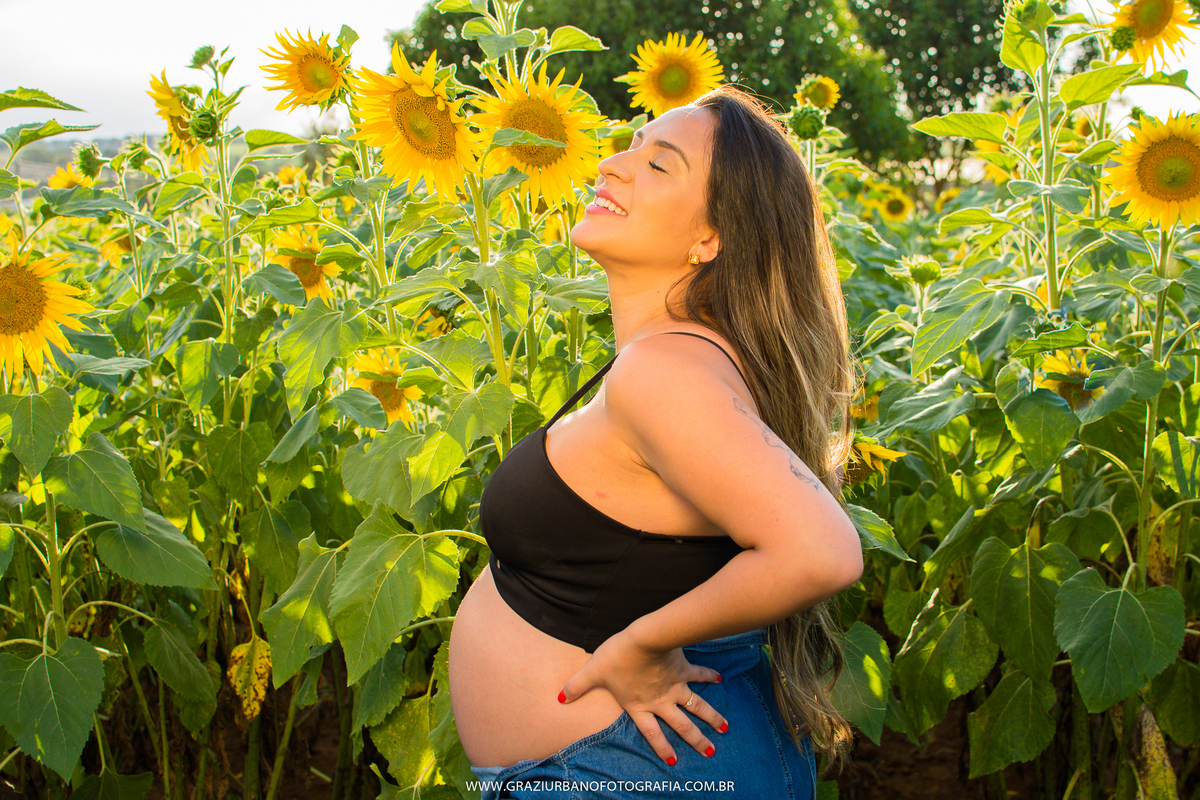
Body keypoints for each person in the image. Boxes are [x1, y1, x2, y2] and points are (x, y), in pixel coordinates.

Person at [446, 85, 863, 799]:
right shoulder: (692, 357)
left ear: (711, 239)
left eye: (659, 164)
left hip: (627, 773)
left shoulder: (663, 370)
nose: (613, 164)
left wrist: (640, 645)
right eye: (631, 145)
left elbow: (821, 551)